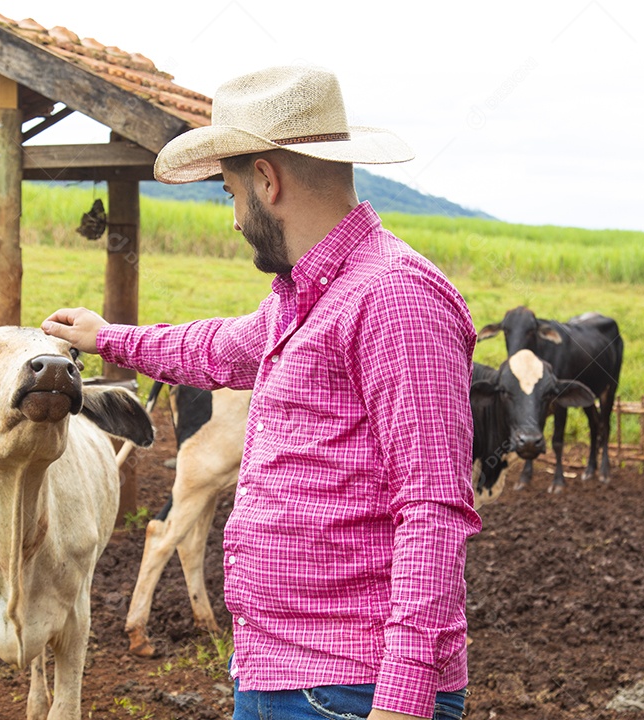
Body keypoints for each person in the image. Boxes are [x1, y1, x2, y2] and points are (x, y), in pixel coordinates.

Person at [43, 65, 481, 720]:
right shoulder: (306, 299)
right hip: (281, 671)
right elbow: (215, 348)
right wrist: (108, 337)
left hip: (353, 691)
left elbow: (432, 508)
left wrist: (402, 702)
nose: (236, 221)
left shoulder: (395, 298)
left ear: (267, 182)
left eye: (230, 195)